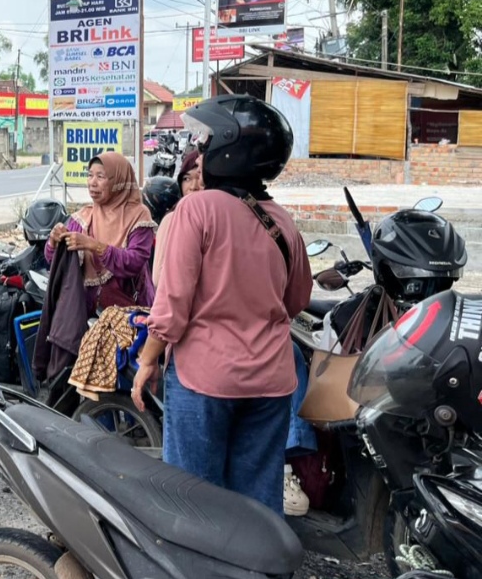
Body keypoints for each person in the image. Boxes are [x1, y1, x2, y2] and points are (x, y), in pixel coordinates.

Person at [130, 95, 312, 516]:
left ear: (230, 149)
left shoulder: (196, 209)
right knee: (257, 501)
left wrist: (146, 363)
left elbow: (171, 306)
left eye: (208, 143)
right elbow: (296, 300)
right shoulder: (283, 221)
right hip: (271, 380)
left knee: (195, 501)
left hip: (204, 381)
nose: (203, 151)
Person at [46, 151, 156, 314]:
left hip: (130, 316)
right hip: (88, 315)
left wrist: (93, 245)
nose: (92, 182)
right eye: (90, 175)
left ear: (118, 180)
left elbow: (134, 262)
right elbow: (56, 263)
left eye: (101, 176)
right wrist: (54, 242)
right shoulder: (83, 217)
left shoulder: (138, 215)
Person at [151, 149, 203, 287]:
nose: (193, 187)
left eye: (199, 178)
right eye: (187, 179)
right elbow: (159, 279)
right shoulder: (172, 220)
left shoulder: (217, 218)